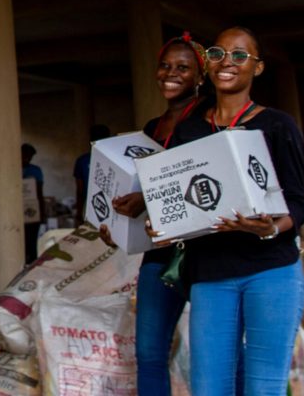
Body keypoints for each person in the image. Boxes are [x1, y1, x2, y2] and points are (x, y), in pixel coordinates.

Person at [168, 27, 304, 395]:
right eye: (217, 53)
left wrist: (271, 229)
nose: (227, 61)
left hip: (272, 271)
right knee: (209, 387)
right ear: (208, 64)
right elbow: (182, 202)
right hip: (211, 273)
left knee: (263, 388)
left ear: (257, 68)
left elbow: (297, 202)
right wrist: (162, 221)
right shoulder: (190, 131)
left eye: (240, 55)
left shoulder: (277, 125)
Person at [100, 32, 208, 396]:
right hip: (159, 253)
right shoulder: (150, 129)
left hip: (207, 252)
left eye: (183, 67)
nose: (170, 74)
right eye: (165, 66)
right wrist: (116, 224)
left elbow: (201, 179)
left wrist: (146, 197)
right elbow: (138, 185)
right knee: (148, 353)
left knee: (214, 354)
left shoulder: (209, 122)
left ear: (200, 76)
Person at [72, 125, 110, 226]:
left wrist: (79, 213)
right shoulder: (115, 160)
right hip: (111, 207)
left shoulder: (82, 161)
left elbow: (80, 191)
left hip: (90, 207)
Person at [21, 143, 45, 263]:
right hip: (16, 212)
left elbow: (39, 193)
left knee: (32, 241)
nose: (27, 159)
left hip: (31, 210)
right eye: (25, 156)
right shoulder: (10, 170)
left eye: (29, 157)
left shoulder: (35, 171)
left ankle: (32, 264)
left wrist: (42, 213)